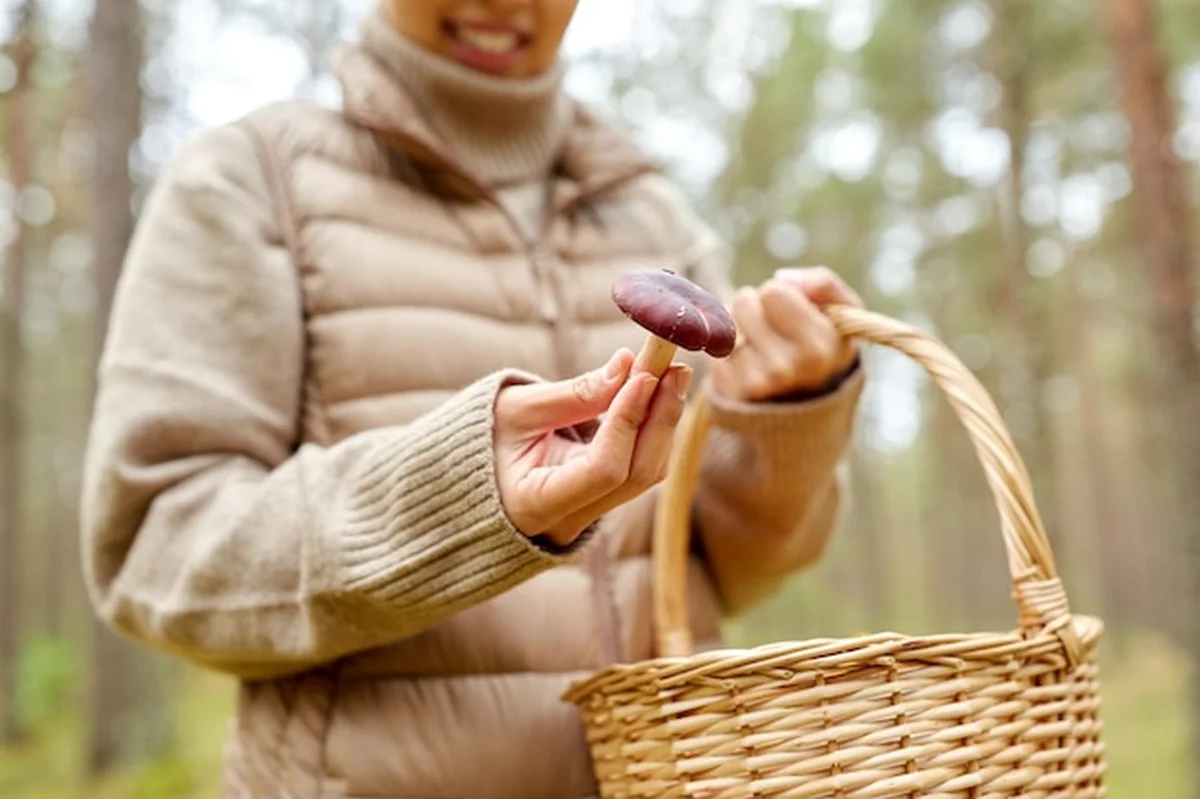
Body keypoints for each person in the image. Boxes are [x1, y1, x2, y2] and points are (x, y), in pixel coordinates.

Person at [79, 0, 867, 796]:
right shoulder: (252, 181)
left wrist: (783, 423)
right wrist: (456, 499)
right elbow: (155, 548)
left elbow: (730, 574)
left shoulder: (651, 210)